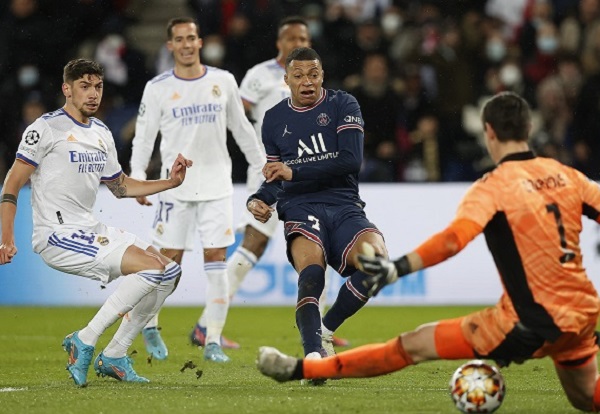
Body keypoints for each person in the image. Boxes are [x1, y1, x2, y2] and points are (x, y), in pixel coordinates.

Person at [256, 91, 600, 411]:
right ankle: (315, 351)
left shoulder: (492, 188)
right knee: (586, 398)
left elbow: (453, 240)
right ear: (529, 127)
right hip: (582, 315)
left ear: (488, 132)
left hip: (525, 322)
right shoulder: (568, 175)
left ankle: (303, 367)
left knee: (412, 344)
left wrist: (398, 268)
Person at [0, 58, 193, 386]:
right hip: (56, 234)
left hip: (90, 228)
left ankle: (116, 354)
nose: (93, 94)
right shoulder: (45, 128)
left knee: (170, 272)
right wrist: (6, 237)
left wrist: (170, 183)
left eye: (98, 87)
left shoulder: (102, 132)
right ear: (67, 89)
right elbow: (12, 183)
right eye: (84, 86)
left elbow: (121, 186)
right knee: (151, 269)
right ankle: (86, 338)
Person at [198, 15, 348, 349]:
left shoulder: (310, 79)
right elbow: (236, 117)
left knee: (318, 246)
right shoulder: (259, 75)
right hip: (273, 169)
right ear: (279, 43)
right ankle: (207, 324)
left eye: (304, 37)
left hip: (308, 170)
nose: (299, 43)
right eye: (292, 38)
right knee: (253, 243)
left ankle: (320, 329)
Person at [129, 17, 265, 363]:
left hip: (217, 185)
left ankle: (213, 340)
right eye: (179, 39)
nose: (187, 44)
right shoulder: (158, 87)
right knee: (166, 262)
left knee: (216, 259)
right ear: (170, 46)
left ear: (200, 42)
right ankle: (150, 325)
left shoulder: (223, 81)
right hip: (175, 188)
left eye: (192, 38)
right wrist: (138, 177)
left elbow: (242, 129)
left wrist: (262, 166)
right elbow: (144, 136)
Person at [247, 47, 389, 374]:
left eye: (313, 75)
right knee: (312, 274)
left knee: (377, 265)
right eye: (298, 76)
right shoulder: (273, 119)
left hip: (344, 204)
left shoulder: (343, 104)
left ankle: (324, 332)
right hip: (299, 205)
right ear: (286, 80)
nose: (306, 82)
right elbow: (274, 177)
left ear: (322, 76)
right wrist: (259, 198)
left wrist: (293, 169)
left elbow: (350, 160)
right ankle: (313, 357)